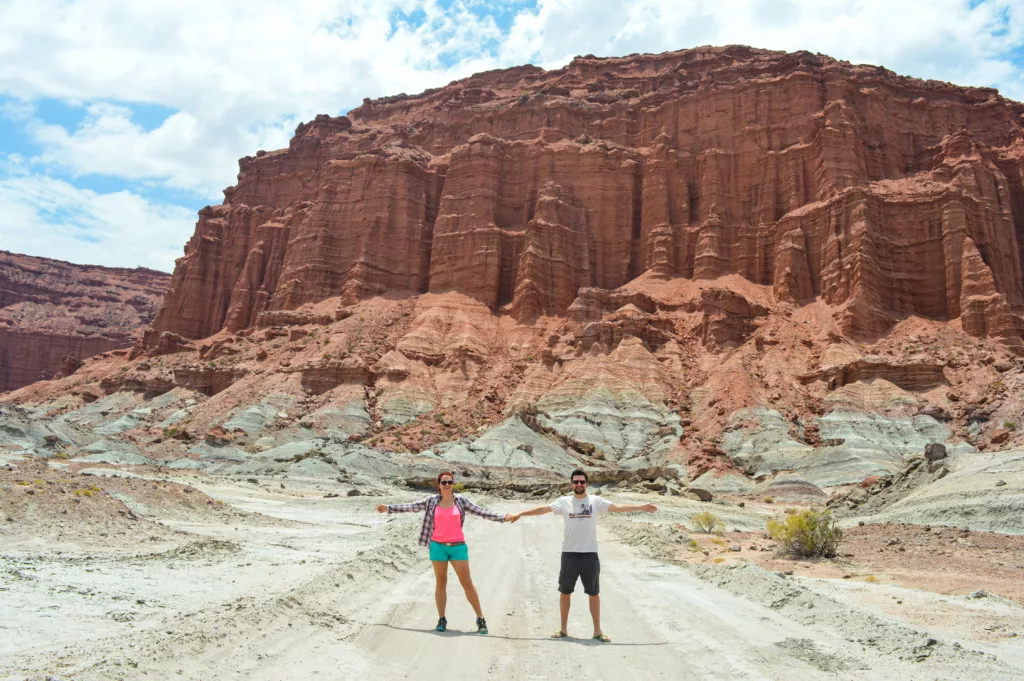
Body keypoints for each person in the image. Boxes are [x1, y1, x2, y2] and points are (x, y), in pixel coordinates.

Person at [506, 468, 657, 642]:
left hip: (590, 555)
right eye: (576, 482)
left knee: (594, 593)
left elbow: (616, 507)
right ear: (571, 484)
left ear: (587, 484)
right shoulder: (563, 502)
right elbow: (543, 509)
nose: (579, 484)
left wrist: (641, 507)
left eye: (582, 482)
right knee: (565, 592)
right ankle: (563, 629)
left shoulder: (595, 501)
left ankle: (597, 631)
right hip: (569, 554)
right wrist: (520, 513)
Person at [376, 471, 515, 634]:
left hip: (458, 547)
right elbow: (411, 507)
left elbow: (481, 511)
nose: (447, 485)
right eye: (444, 482)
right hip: (437, 547)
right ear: (439, 485)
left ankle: (480, 618)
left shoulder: (461, 501)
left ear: (453, 484)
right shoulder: (431, 501)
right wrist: (388, 508)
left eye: (450, 482)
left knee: (467, 583)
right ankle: (442, 619)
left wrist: (503, 517)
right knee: (441, 583)